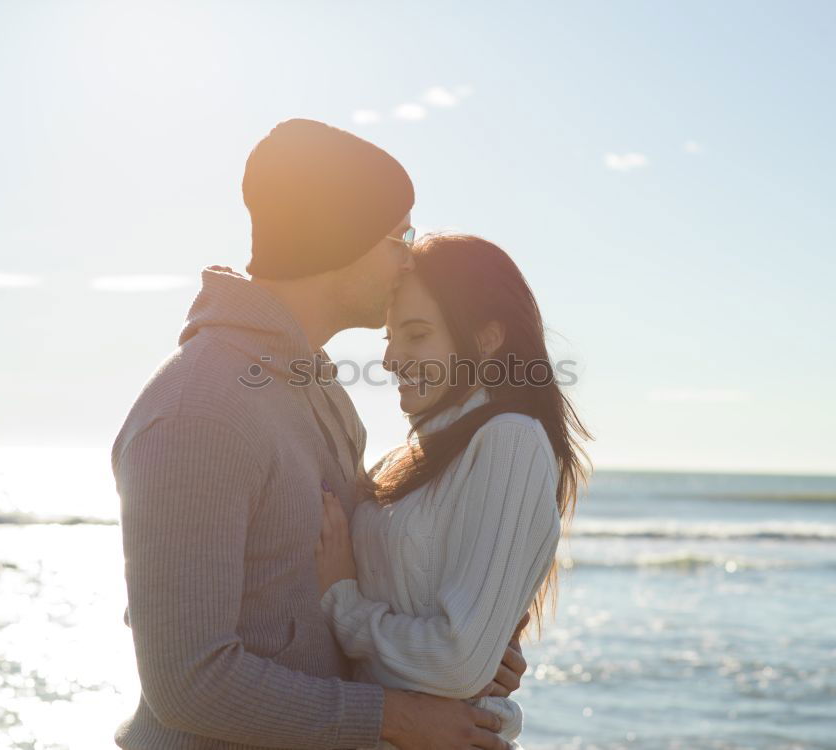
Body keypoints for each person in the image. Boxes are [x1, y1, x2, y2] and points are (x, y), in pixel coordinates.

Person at [111, 119, 528, 750]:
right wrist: (398, 717)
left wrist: (457, 652)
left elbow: (345, 583)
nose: (409, 257)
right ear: (343, 239)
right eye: (399, 236)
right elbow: (188, 681)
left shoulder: (317, 387)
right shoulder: (200, 408)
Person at [315, 233, 593, 749]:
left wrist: (343, 604)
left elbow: (458, 661)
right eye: (389, 338)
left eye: (417, 335)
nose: (392, 359)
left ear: (485, 341)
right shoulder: (407, 459)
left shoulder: (509, 440)